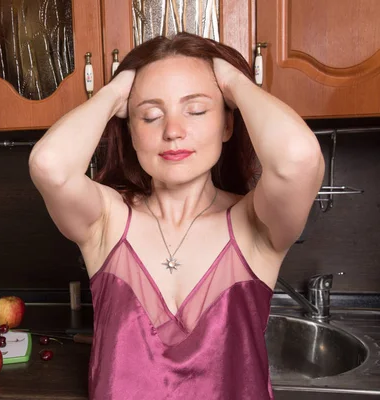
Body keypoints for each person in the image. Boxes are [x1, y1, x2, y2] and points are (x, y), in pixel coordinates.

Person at [29, 32, 324, 399]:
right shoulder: (108, 220)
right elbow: (49, 166)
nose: (173, 131)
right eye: (150, 116)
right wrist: (116, 91)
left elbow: (298, 160)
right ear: (130, 132)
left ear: (228, 123)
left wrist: (232, 80)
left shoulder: (254, 226)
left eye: (197, 110)